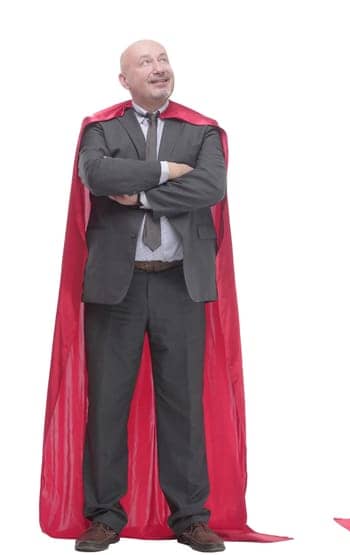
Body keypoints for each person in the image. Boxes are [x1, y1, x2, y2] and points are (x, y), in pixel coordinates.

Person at [65, 39, 229, 554]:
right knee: (108, 403)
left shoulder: (201, 129)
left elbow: (209, 188)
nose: (159, 69)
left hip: (180, 282)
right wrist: (163, 172)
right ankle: (105, 516)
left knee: (183, 403)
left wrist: (137, 193)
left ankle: (190, 518)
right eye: (145, 63)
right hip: (118, 286)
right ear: (124, 80)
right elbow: (96, 174)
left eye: (163, 61)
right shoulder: (101, 128)